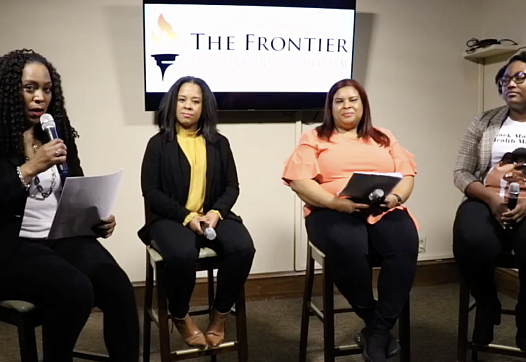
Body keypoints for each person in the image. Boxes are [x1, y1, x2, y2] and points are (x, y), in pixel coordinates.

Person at [0, 49, 139, 361]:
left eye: (46, 89)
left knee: (119, 289)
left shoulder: (55, 129)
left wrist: (96, 216)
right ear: (11, 90)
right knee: (75, 291)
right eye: (30, 88)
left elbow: (73, 187)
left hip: (61, 238)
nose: (40, 98)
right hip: (12, 246)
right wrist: (29, 167)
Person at [282, 79, 418, 362]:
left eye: (353, 100)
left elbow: (407, 175)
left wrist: (395, 199)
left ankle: (377, 331)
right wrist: (335, 203)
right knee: (349, 244)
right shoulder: (314, 138)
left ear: (363, 105)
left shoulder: (384, 136)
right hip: (330, 211)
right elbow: (299, 181)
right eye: (339, 101)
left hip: (382, 207)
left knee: (404, 241)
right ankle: (374, 321)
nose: (346, 106)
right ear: (330, 108)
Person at [139, 76, 255, 349]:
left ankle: (220, 315)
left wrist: (216, 212)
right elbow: (151, 192)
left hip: (212, 215)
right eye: (182, 100)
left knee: (243, 248)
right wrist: (188, 218)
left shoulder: (219, 142)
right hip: (170, 218)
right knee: (181, 254)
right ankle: (180, 315)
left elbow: (232, 186)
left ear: (205, 107)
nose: (187, 106)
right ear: (172, 104)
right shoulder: (158, 144)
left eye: (195, 101)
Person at [453, 51, 526, 351]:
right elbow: (461, 172)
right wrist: (490, 199)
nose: (511, 84)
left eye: (520, 77)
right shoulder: (484, 122)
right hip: (486, 199)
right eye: (505, 79)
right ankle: (487, 304)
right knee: (470, 240)